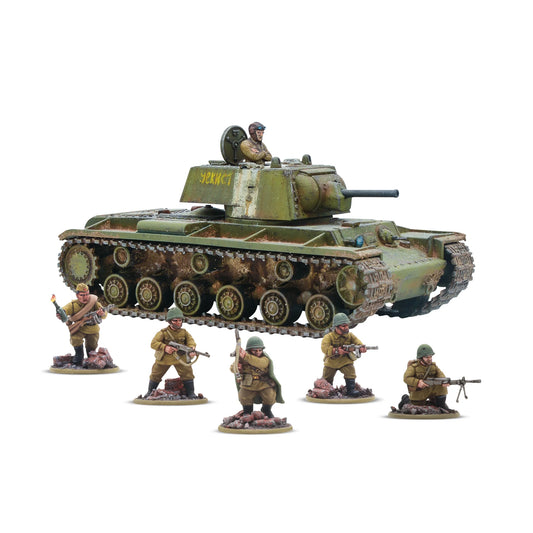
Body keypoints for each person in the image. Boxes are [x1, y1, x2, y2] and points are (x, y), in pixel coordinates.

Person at [145, 307, 198, 398]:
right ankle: (150, 392)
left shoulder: (184, 332)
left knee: (188, 374)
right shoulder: (163, 332)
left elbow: (191, 341)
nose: (178, 323)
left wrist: (191, 349)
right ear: (170, 321)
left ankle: (191, 393)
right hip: (165, 358)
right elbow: (153, 343)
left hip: (180, 358)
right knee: (156, 374)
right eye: (175, 320)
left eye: (180, 320)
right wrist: (165, 347)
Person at [231, 336, 283, 418]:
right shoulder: (242, 359)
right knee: (244, 396)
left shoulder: (265, 359)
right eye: (255, 350)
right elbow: (233, 368)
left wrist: (246, 356)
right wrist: (237, 367)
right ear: (249, 350)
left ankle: (266, 410)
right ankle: (247, 412)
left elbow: (260, 363)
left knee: (270, 396)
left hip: (263, 383)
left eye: (260, 350)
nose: (258, 352)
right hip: (248, 384)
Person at [57, 283, 107, 365]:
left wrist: (102, 313)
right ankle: (79, 356)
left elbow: (104, 313)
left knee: (92, 345)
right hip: (79, 328)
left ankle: (91, 358)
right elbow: (65, 309)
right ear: (77, 295)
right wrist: (61, 314)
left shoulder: (93, 302)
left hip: (92, 328)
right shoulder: (74, 305)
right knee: (75, 338)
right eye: (82, 295)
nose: (85, 297)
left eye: (87, 294)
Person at [321, 313, 366, 397]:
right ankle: (328, 391)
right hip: (331, 361)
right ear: (336, 327)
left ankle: (351, 390)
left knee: (350, 372)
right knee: (327, 377)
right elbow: (324, 348)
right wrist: (336, 350)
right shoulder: (329, 337)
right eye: (343, 326)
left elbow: (357, 342)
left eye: (347, 325)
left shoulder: (350, 336)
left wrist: (361, 347)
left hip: (345, 360)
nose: (346, 327)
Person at [400, 344, 450, 409]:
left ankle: (441, 405)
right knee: (416, 408)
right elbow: (406, 378)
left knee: (441, 387)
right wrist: (417, 382)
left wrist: (444, 381)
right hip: (419, 391)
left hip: (431, 391)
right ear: (421, 358)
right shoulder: (413, 367)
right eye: (427, 357)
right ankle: (405, 399)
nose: (430, 359)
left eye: (430, 356)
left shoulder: (433, 366)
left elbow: (440, 375)